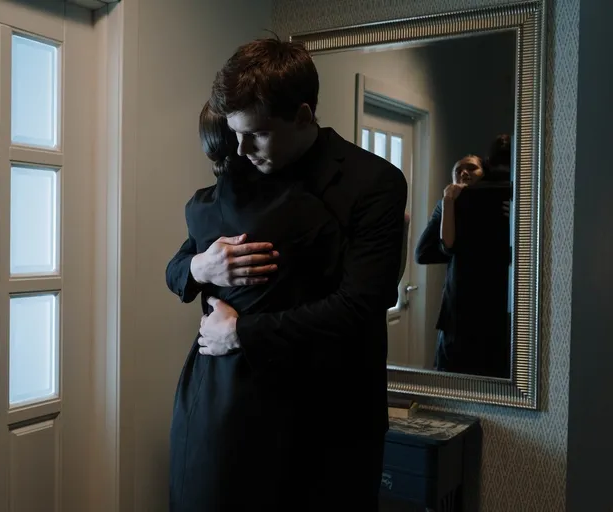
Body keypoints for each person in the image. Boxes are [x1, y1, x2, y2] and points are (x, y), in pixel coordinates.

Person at [167, 37, 407, 510]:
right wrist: (201, 265)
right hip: (241, 415)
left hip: (332, 418)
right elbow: (178, 267)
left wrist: (242, 333)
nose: (240, 149)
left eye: (256, 133)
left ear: (302, 116)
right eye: (235, 133)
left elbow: (362, 303)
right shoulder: (242, 167)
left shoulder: (373, 183)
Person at [167, 102, 343, 511]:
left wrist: (195, 267)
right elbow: (348, 300)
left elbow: (173, 272)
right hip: (273, 383)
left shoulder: (200, 207)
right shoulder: (307, 210)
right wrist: (201, 265)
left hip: (209, 385)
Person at [415, 155, 512, 378]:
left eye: (472, 168)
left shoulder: (504, 204)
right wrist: (448, 203)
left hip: (494, 311)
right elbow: (424, 253)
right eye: (458, 169)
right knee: (450, 379)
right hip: (457, 314)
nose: (464, 172)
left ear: (485, 175)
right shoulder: (448, 204)